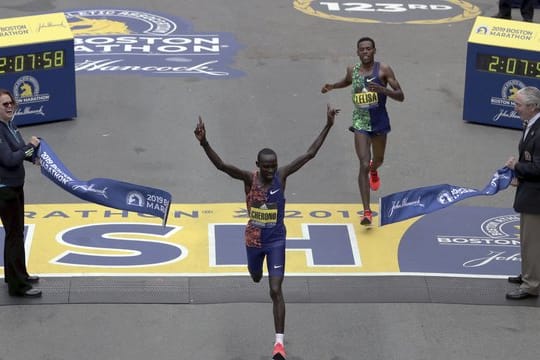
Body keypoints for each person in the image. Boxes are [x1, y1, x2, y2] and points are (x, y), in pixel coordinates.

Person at [194, 104, 339, 360]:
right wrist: (204, 143)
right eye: (267, 167)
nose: (271, 171)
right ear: (258, 165)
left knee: (275, 290)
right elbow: (222, 166)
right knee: (255, 277)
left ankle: (278, 345)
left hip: (276, 241)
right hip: (253, 240)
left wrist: (327, 125)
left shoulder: (282, 177)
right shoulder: (249, 179)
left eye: (274, 166)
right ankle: (255, 269)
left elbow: (310, 154)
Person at [321, 37, 404, 225]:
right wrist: (332, 86)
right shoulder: (353, 70)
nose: (365, 52)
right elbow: (347, 81)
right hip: (360, 123)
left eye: (368, 49)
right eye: (362, 50)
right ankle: (367, 212)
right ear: (357, 53)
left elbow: (401, 96)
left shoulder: (384, 70)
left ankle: (375, 170)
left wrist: (384, 91)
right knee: (363, 163)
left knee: (378, 160)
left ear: (374, 51)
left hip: (380, 122)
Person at [0, 89, 41, 297]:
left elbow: (19, 151)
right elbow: (9, 159)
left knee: (16, 234)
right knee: (14, 236)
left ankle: (18, 275)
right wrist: (29, 147)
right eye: (4, 104)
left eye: (10, 103)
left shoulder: (10, 126)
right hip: (5, 191)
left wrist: (32, 156)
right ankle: (18, 287)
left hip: (16, 186)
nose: (9, 106)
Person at [504, 86, 540, 300]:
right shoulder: (531, 124)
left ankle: (531, 284)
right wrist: (520, 175)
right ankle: (530, 274)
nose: (515, 108)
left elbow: (538, 168)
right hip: (531, 190)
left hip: (536, 198)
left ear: (532, 107)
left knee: (532, 241)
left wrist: (516, 167)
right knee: (529, 240)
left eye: (518, 105)